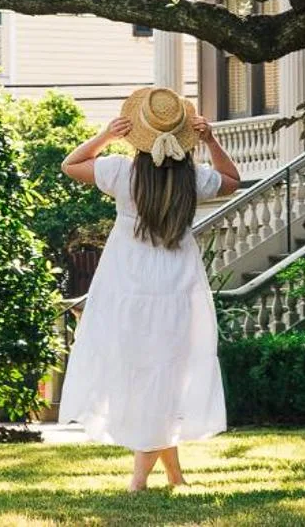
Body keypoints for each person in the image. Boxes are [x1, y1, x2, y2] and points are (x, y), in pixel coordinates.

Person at [57, 85, 243, 491]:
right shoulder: (193, 178)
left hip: (128, 283)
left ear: (138, 131)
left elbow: (72, 164)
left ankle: (148, 479)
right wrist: (211, 140)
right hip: (177, 282)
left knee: (148, 375)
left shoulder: (122, 172)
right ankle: (164, 478)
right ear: (184, 135)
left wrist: (106, 135)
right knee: (166, 374)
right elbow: (232, 179)